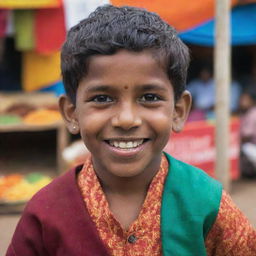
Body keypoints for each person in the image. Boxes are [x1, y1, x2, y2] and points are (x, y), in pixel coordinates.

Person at [6, 5, 256, 256]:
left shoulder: (207, 203)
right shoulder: (44, 213)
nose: (126, 120)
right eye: (102, 99)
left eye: (149, 97)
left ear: (178, 111)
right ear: (71, 113)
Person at [239, 88, 256, 178]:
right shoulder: (245, 113)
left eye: (245, 100)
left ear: (252, 101)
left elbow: (247, 136)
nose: (242, 102)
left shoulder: (253, 113)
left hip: (253, 146)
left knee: (244, 147)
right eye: (241, 99)